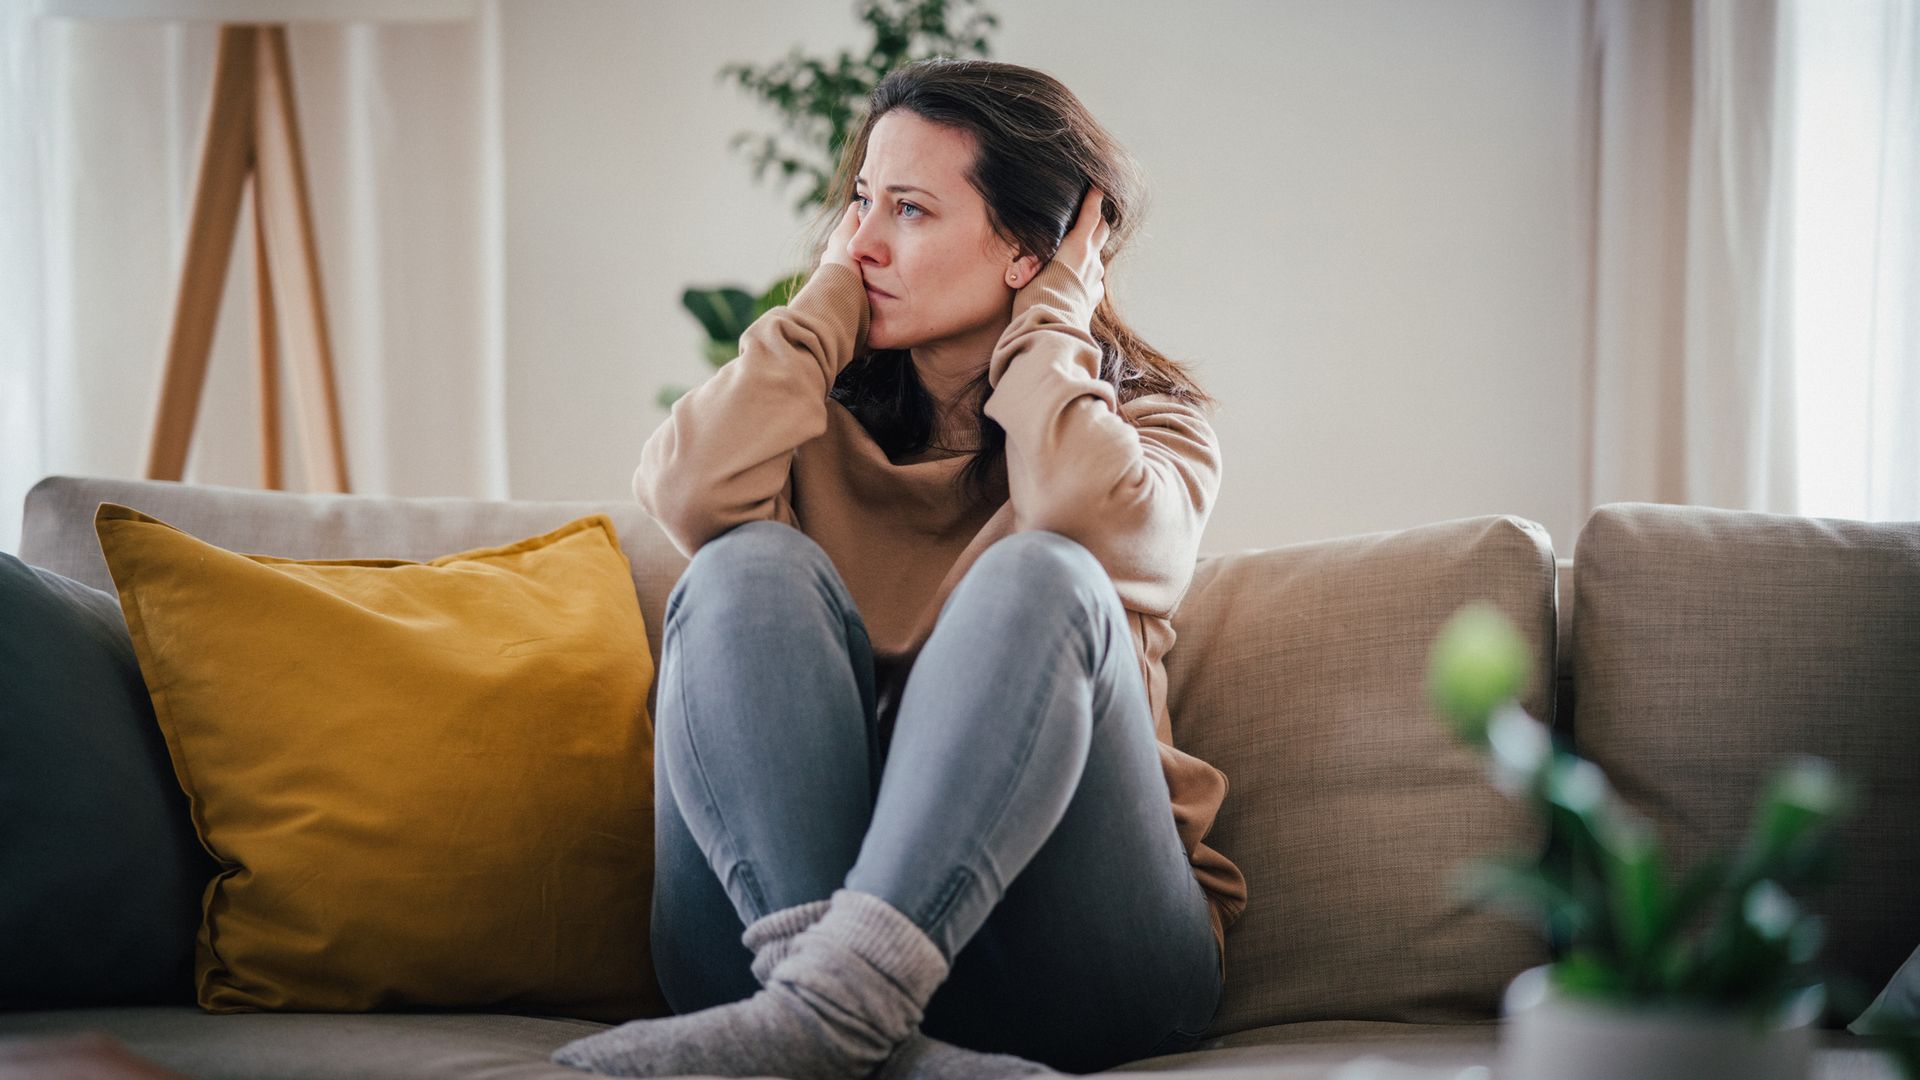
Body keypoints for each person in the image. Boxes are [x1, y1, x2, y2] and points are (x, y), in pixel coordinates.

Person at [552, 56, 1246, 1080]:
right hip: (773, 934)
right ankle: (844, 1015)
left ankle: (825, 1022)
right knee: (742, 569)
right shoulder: (804, 423)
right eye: (862, 202)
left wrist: (1052, 328)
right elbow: (686, 490)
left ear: (1032, 251)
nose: (862, 242)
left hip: (1073, 955)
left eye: (910, 210)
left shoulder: (1149, 434)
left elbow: (1079, 519)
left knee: (1044, 576)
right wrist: (823, 309)